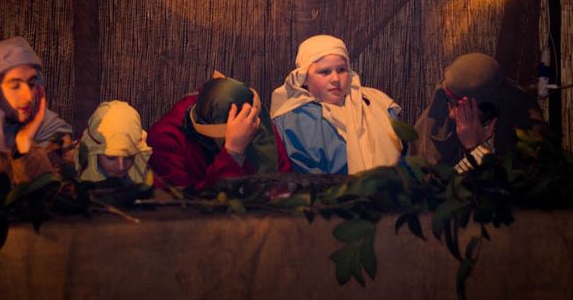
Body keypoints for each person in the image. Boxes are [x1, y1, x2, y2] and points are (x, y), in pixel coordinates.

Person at [270, 34, 403, 174]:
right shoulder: (294, 119)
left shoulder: (377, 104)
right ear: (304, 78)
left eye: (341, 70)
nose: (335, 79)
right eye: (325, 72)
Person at [148, 75, 292, 189]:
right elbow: (187, 205)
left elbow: (283, 181)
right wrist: (233, 152)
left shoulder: (253, 119)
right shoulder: (166, 141)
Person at [411, 52, 545, 172]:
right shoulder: (439, 117)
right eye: (450, 103)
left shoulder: (525, 129)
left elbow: (509, 186)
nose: (451, 115)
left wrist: (474, 147)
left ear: (487, 109)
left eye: (460, 107)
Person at [0, 37, 72, 185]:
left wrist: (25, 144)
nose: (29, 96)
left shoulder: (53, 133)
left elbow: (49, 195)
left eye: (32, 84)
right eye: (15, 86)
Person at [77, 100, 153, 185]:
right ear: (93, 151)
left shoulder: (147, 176)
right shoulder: (71, 179)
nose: (121, 167)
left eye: (129, 157)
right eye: (111, 157)